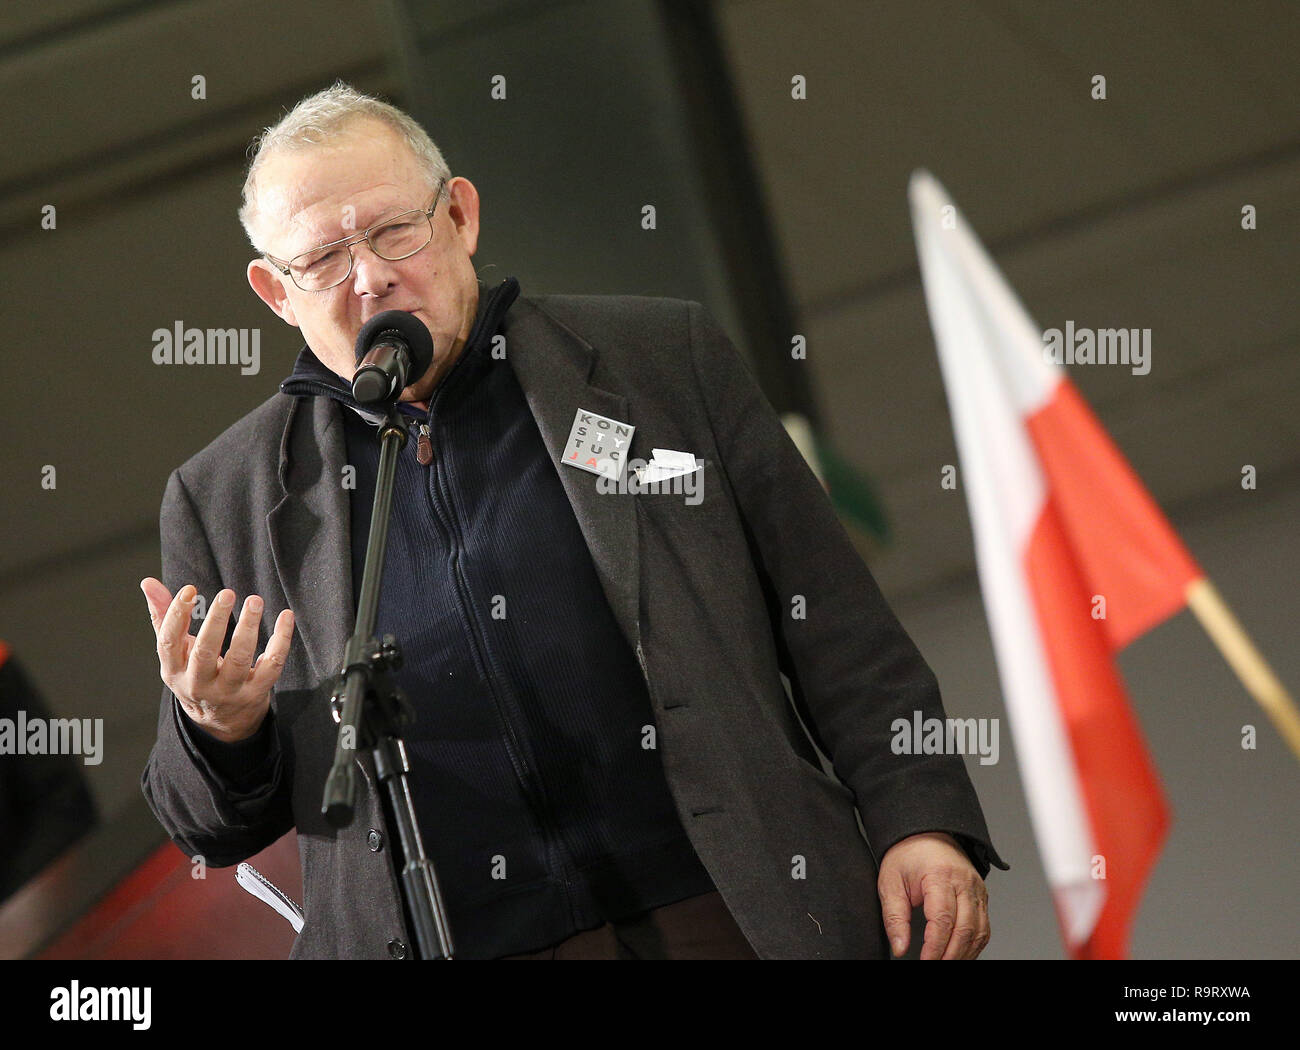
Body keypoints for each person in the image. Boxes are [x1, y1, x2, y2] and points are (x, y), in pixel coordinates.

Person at [140, 82, 1007, 960]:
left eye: (393, 229)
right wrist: (217, 726)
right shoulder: (224, 499)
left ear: (462, 216)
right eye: (322, 259)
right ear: (274, 292)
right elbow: (206, 828)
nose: (370, 276)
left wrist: (919, 817)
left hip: (733, 913)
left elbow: (839, 627)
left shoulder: (661, 363)